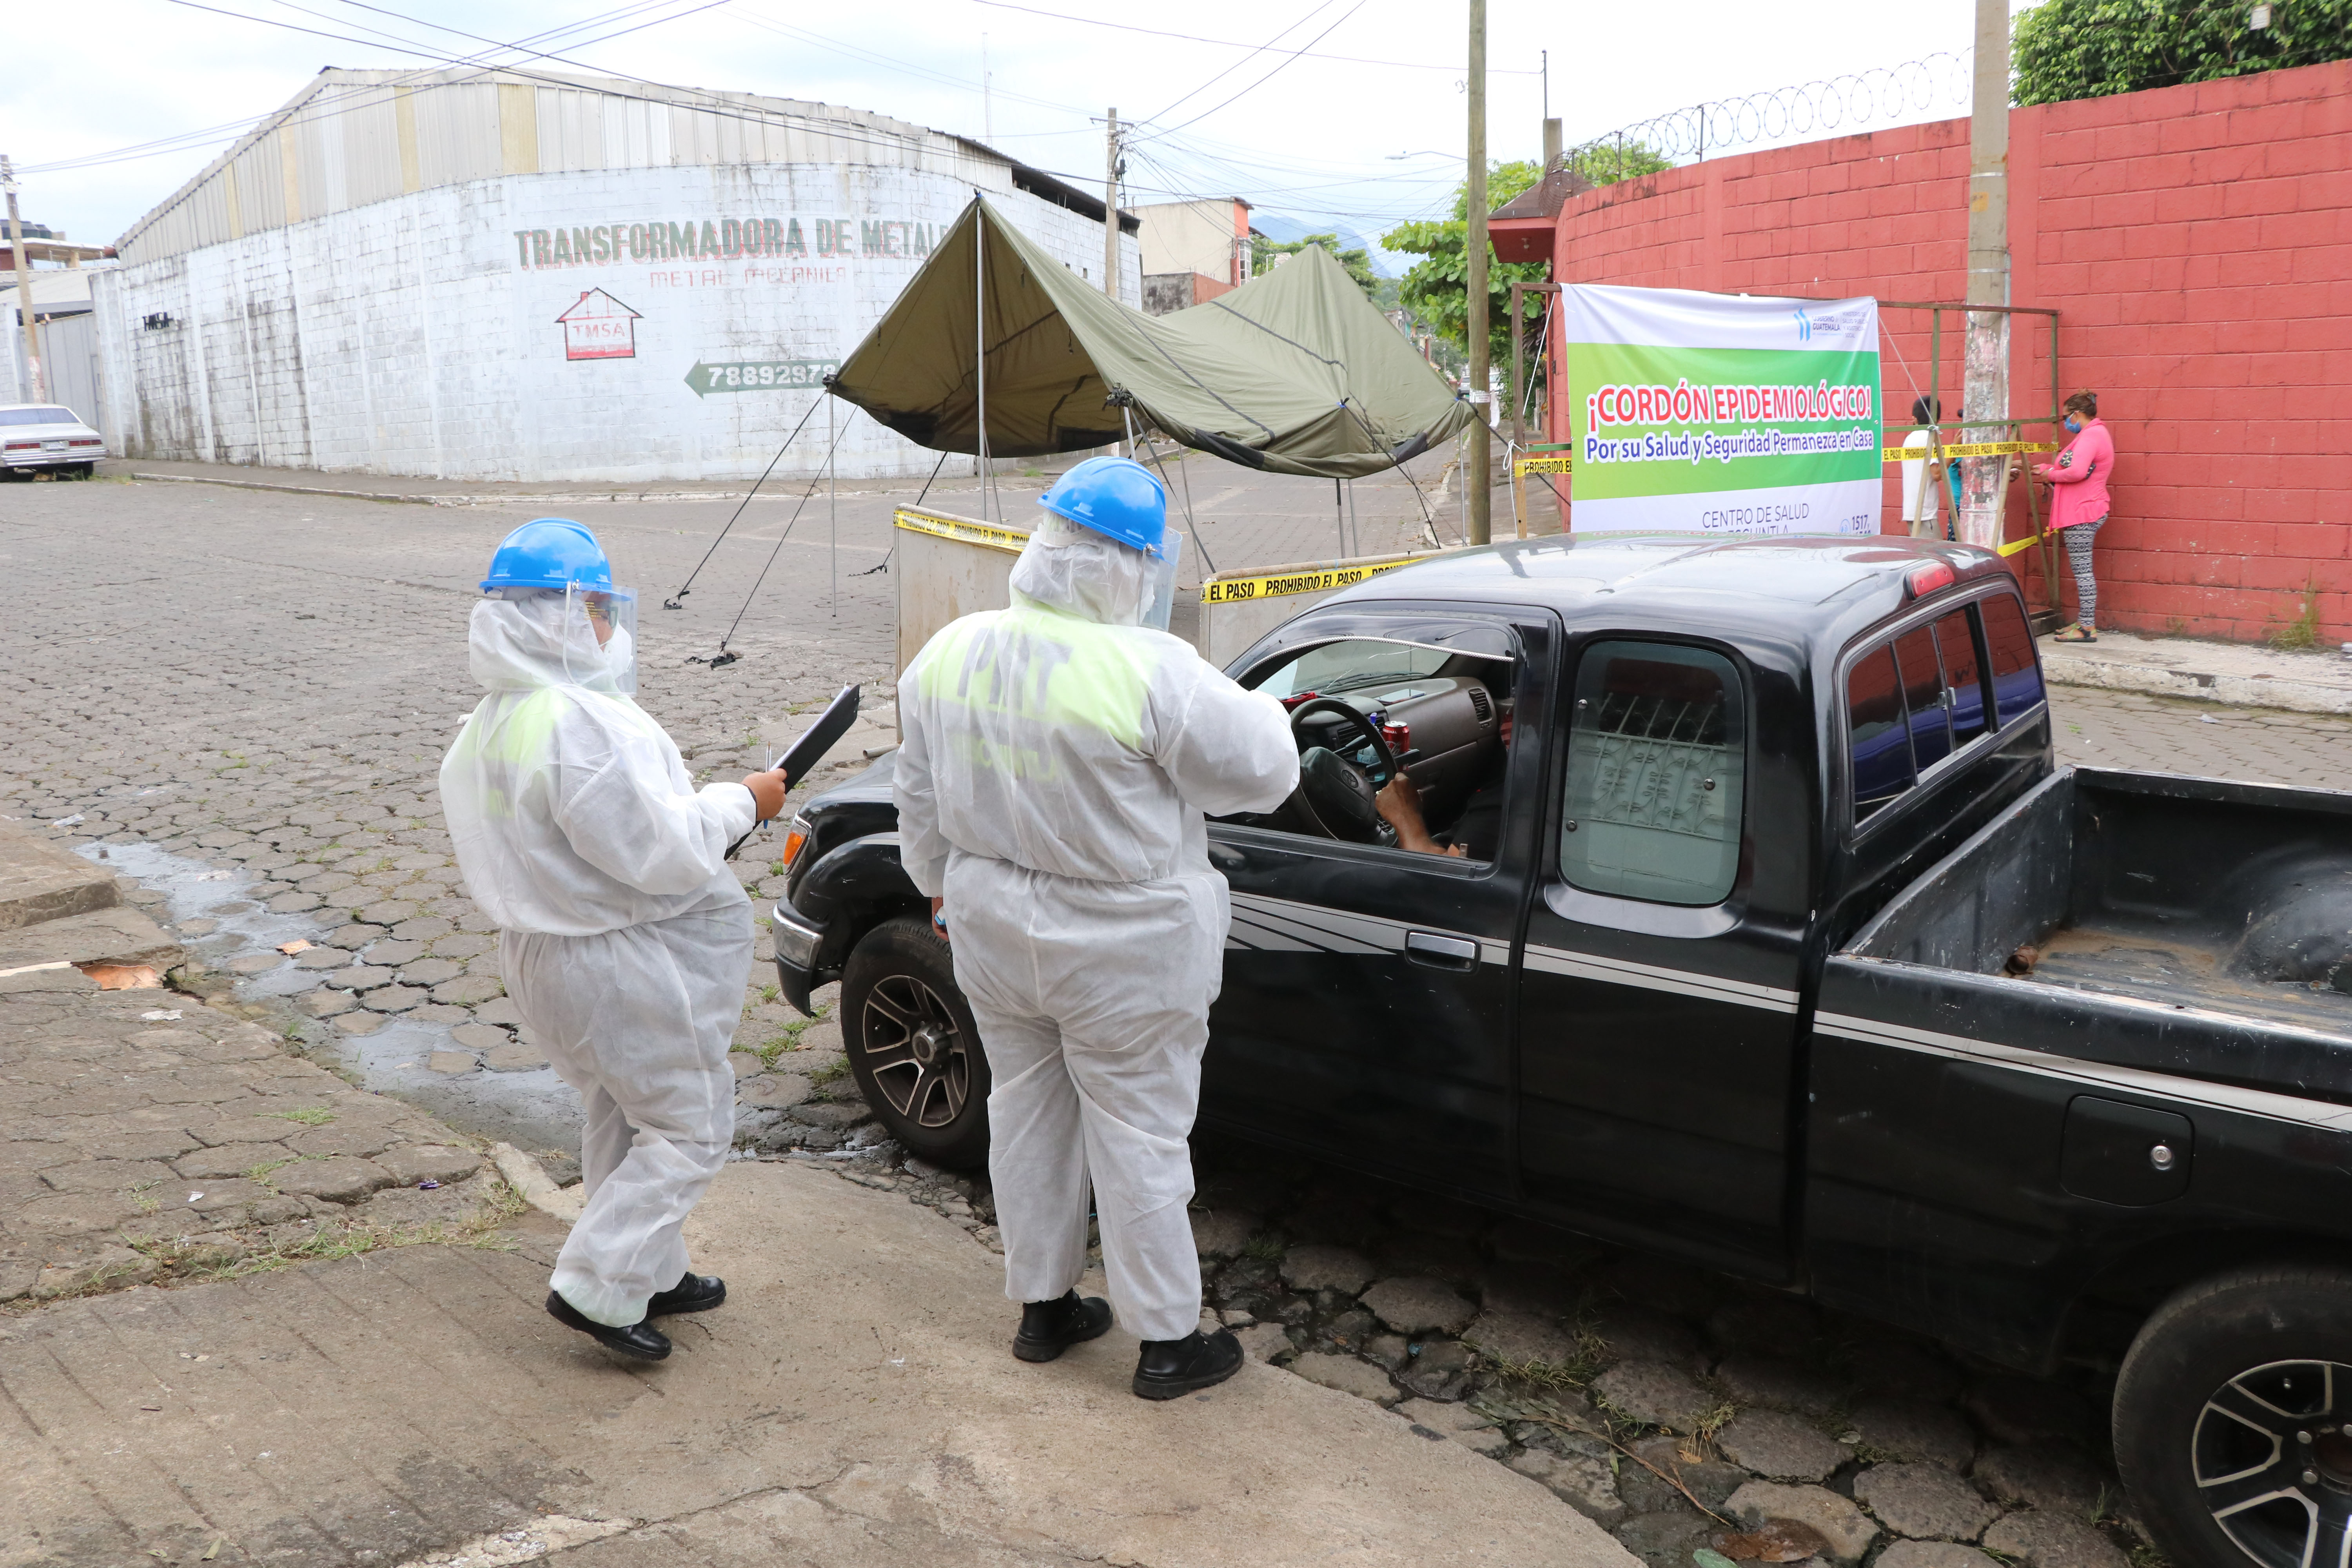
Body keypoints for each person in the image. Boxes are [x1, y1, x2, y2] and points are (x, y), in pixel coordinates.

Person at [893, 457, 1299, 1400]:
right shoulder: (1151, 667)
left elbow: (918, 798)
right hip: (1125, 945)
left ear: (1044, 546)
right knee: (1139, 1133)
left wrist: (936, 885)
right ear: (1128, 565)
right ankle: (1168, 1342)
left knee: (1025, 1114)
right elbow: (1267, 770)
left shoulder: (950, 651)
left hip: (993, 925)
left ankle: (1044, 1308)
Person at [438, 517, 788, 1363]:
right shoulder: (581, 721)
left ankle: (650, 1270)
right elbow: (659, 850)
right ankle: (595, 1284)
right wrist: (745, 801)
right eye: (597, 608)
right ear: (561, 612)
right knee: (689, 1126)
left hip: (545, 952)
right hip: (611, 955)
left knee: (622, 1113)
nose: (607, 625)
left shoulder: (496, 717)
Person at [2034, 391, 2116, 642]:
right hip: (2084, 510)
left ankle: (2087, 628)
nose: (2065, 422)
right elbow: (2074, 468)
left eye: (2066, 417)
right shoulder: (2094, 434)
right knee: (2083, 570)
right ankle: (2084, 622)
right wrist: (2047, 470)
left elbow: (2077, 472)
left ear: (2077, 414)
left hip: (2083, 512)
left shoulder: (2091, 436)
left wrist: (2050, 476)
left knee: (2083, 572)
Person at [1900, 396, 1947, 540]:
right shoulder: (1929, 438)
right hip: (1925, 513)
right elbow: (1937, 474)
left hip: (1911, 511)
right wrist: (1954, 450)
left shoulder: (1909, 439)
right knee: (1935, 553)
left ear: (1914, 419)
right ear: (1937, 419)